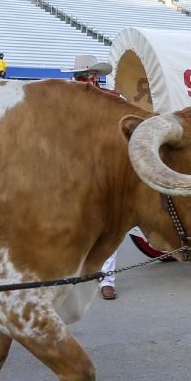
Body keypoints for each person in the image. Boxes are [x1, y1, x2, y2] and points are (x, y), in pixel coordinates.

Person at [63, 55, 125, 300]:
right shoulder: (61, 101)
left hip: (104, 169)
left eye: (92, 75)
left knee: (108, 225)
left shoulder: (113, 99)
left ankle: (106, 280)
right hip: (72, 170)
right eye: (83, 75)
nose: (89, 79)